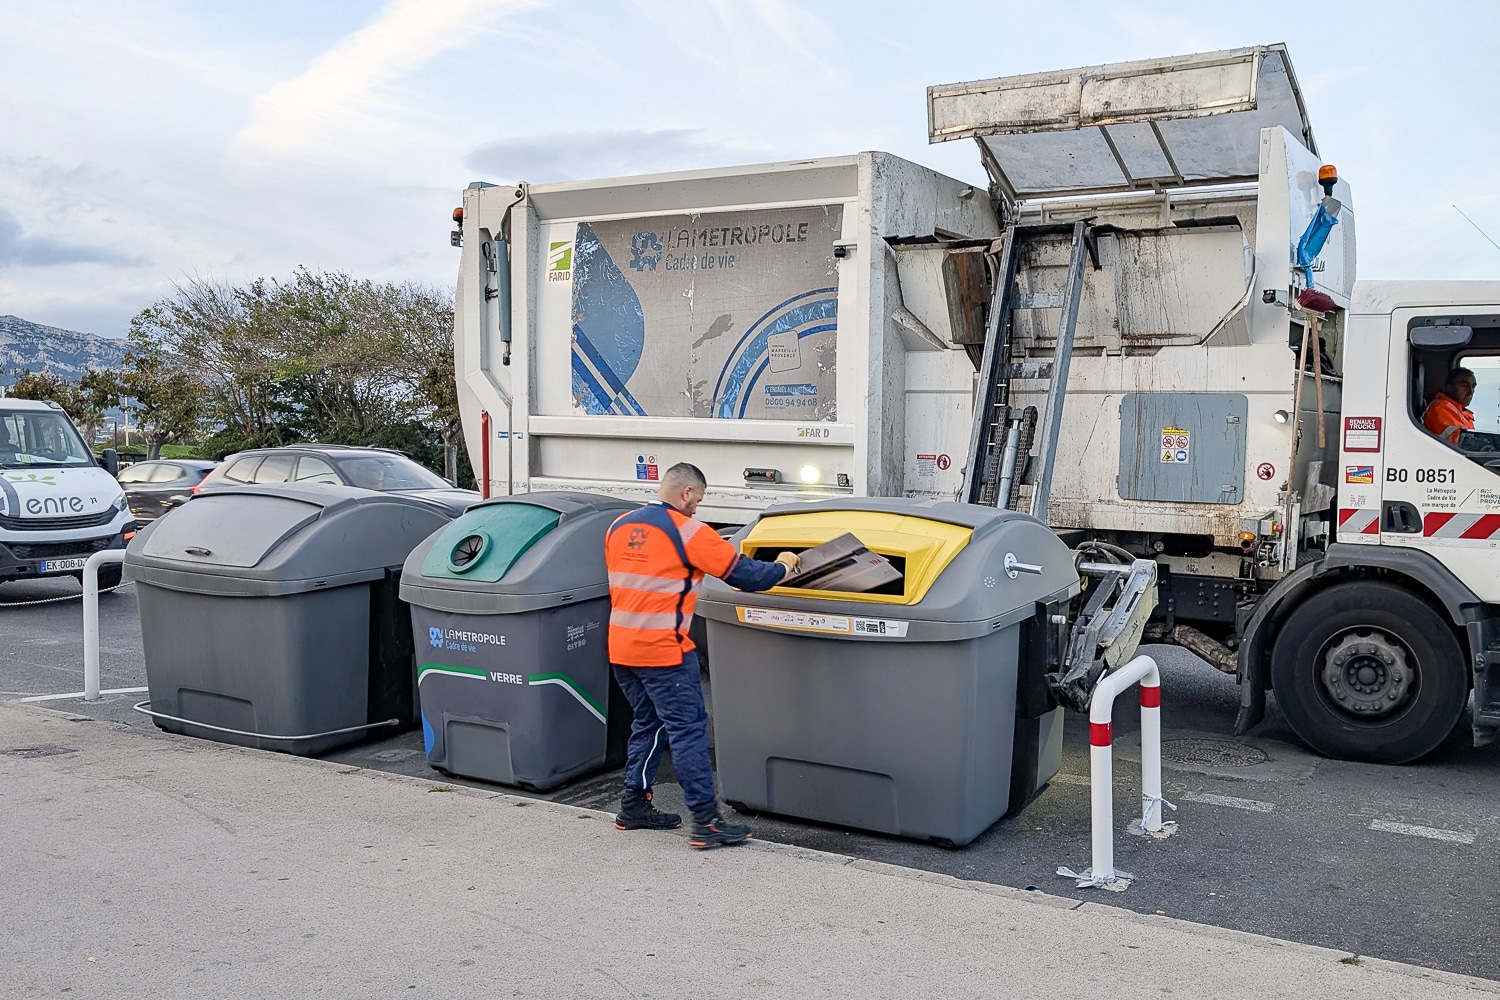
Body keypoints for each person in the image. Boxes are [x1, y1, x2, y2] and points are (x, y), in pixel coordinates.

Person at [605, 462, 799, 848]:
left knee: (651, 722)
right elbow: (747, 577)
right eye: (699, 500)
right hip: (664, 652)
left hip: (621, 648)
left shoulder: (619, 526)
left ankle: (634, 805)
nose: (698, 509)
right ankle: (707, 823)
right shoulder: (688, 531)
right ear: (687, 493)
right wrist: (785, 565)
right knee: (688, 730)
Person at [1423, 367, 1477, 445]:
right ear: (1449, 388)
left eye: (1473, 387)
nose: (1470, 392)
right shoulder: (1439, 408)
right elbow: (1457, 444)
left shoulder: (1459, 412)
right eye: (1464, 386)